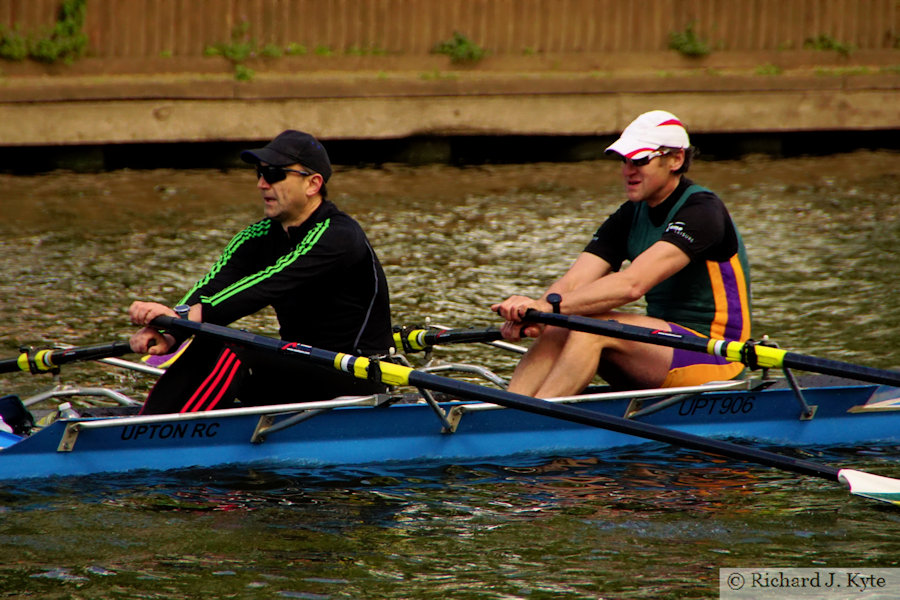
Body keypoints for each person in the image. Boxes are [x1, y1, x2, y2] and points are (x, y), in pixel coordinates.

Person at [129, 130, 393, 414]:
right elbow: (213, 285)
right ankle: (154, 424)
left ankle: (161, 435)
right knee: (213, 338)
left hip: (356, 376)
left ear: (313, 184)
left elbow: (266, 285)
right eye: (259, 173)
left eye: (275, 174)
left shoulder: (338, 234)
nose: (262, 183)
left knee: (233, 345)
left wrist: (179, 320)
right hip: (300, 368)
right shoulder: (256, 236)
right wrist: (172, 332)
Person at [492, 110, 751, 396]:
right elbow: (572, 285)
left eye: (640, 160)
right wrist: (534, 312)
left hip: (716, 354)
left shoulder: (703, 211)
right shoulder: (630, 215)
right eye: (625, 161)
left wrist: (549, 309)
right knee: (561, 321)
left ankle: (534, 419)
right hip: (662, 349)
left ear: (676, 159)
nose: (628, 170)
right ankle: (508, 408)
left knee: (588, 325)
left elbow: (632, 285)